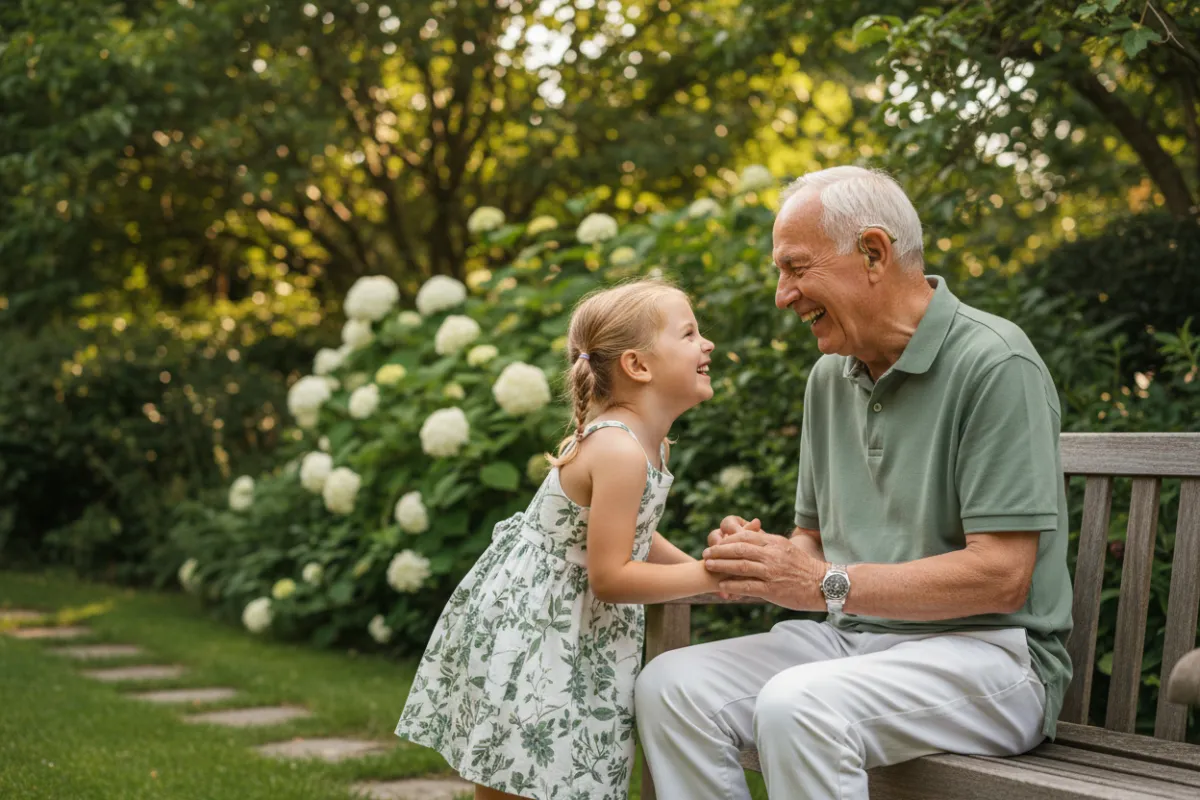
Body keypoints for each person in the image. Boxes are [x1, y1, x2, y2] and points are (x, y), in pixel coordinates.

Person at [635, 166, 1074, 799]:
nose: (783, 295)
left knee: (798, 704)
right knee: (671, 687)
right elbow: (812, 544)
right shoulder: (829, 377)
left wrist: (820, 582)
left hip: (994, 656)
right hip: (854, 641)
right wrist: (769, 561)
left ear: (873, 253)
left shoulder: (995, 362)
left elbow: (1003, 576)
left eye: (796, 268)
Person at [395, 279, 719, 800]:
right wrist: (709, 576)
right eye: (689, 334)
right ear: (638, 366)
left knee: (569, 771)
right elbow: (611, 576)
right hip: (540, 631)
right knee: (523, 773)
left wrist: (711, 573)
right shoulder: (620, 449)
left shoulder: (646, 443)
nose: (707, 345)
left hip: (574, 629)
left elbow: (635, 534)